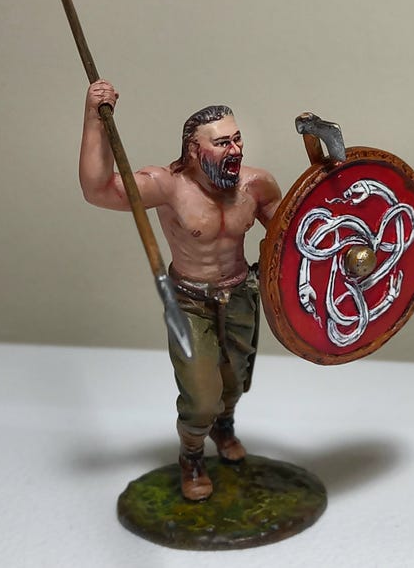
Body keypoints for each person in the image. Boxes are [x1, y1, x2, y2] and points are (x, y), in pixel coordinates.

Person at [79, 79, 282, 500]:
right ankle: (191, 456)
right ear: (193, 149)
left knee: (234, 381)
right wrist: (94, 119)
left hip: (240, 294)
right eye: (222, 143)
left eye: (237, 139)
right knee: (201, 395)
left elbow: (294, 237)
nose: (235, 150)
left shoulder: (256, 185)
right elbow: (98, 189)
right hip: (190, 302)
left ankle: (224, 427)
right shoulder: (167, 185)